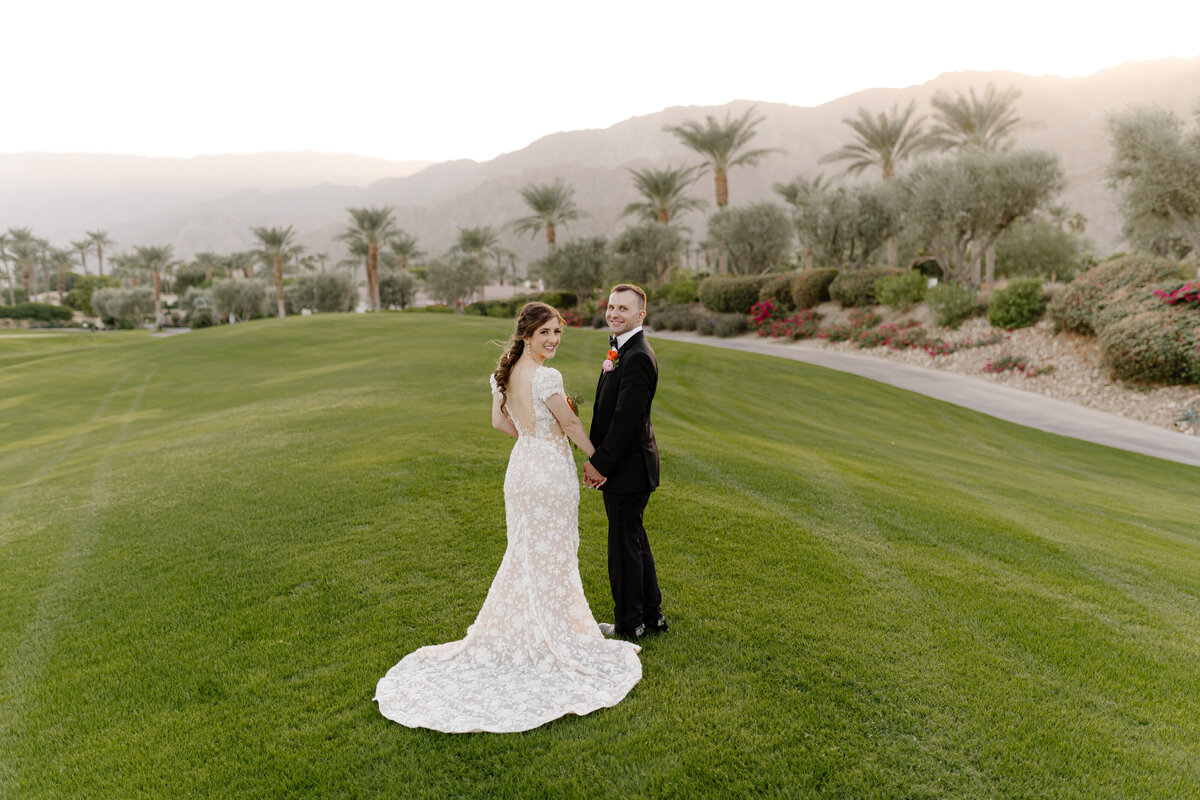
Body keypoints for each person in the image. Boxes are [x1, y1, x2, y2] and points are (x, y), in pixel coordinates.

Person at [374, 302, 641, 733]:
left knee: (525, 551)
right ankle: (554, 633)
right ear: (526, 336)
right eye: (545, 334)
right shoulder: (546, 376)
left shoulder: (503, 374)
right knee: (552, 552)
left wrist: (533, 437)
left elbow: (500, 423)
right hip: (549, 474)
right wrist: (598, 461)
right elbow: (571, 425)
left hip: (521, 470)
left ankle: (538, 625)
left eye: (558, 333)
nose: (553, 340)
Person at [583, 284, 668, 640]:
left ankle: (629, 623)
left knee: (622, 547)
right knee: (634, 540)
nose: (614, 313)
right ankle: (652, 616)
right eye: (611, 306)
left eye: (623, 309)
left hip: (627, 469)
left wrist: (598, 464)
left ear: (640, 316)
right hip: (629, 466)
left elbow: (625, 421)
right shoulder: (623, 348)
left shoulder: (636, 356)